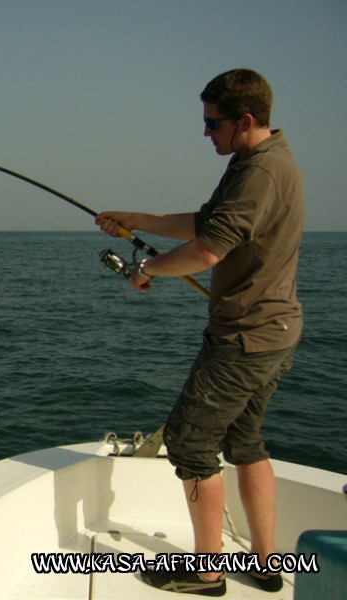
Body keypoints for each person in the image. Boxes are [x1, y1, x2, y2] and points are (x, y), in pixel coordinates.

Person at [96, 68, 303, 596]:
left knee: (190, 446)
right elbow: (207, 223)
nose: (205, 132)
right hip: (275, 331)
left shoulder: (260, 173)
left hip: (243, 338)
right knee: (245, 441)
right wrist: (136, 218)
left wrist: (146, 270)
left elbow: (210, 250)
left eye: (213, 124)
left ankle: (206, 572)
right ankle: (263, 562)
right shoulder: (258, 162)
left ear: (246, 120)